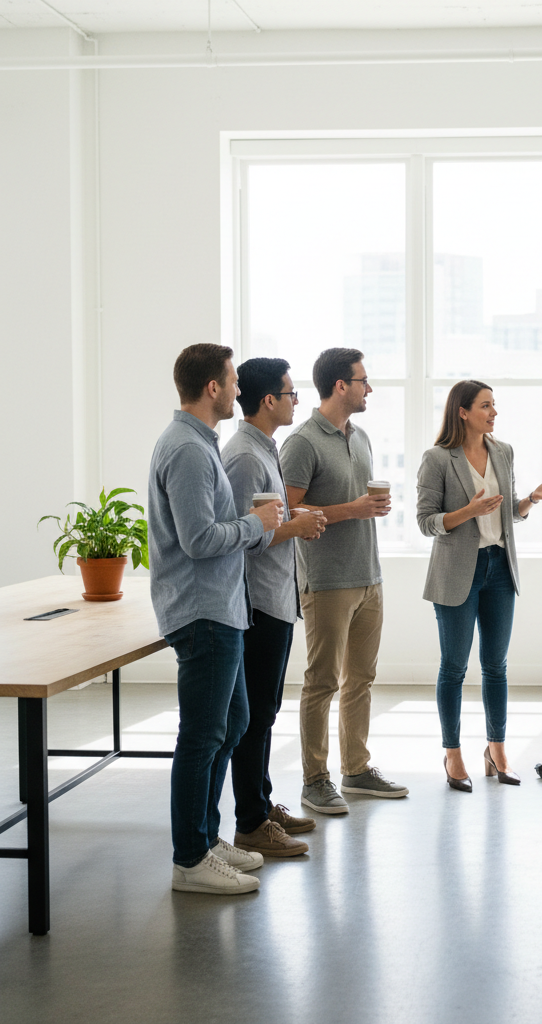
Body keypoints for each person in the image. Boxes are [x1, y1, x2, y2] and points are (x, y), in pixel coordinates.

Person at [150, 343, 283, 895]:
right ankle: (189, 859)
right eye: (231, 382)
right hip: (203, 612)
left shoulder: (200, 444)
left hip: (221, 609)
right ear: (213, 388)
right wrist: (256, 524)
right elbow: (199, 540)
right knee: (202, 737)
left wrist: (253, 520)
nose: (237, 391)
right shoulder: (185, 449)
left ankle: (205, 839)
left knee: (231, 724)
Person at [416, 380, 542, 791]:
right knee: (454, 668)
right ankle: (453, 753)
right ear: (462, 411)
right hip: (456, 572)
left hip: (499, 567)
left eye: (494, 405)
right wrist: (467, 510)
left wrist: (531, 499)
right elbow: (427, 522)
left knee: (495, 666)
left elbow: (507, 513)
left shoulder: (503, 451)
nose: (493, 412)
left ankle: (496, 749)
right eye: (485, 405)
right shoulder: (437, 459)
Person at [279, 347, 408, 812]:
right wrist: (353, 509)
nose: (368, 388)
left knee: (362, 678)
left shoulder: (362, 437)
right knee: (322, 682)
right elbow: (287, 513)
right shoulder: (301, 443)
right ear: (340, 385)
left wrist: (366, 509)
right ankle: (315, 780)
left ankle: (356, 770)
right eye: (362, 380)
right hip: (327, 582)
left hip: (368, 575)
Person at [222, 357, 327, 858]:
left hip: (277, 598)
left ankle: (262, 807)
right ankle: (250, 822)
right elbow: (245, 538)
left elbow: (266, 518)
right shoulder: (244, 456)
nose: (295, 401)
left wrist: (294, 517)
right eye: (290, 393)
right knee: (256, 715)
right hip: (258, 601)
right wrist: (295, 527)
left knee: (265, 711)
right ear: (269, 400)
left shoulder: (266, 448)